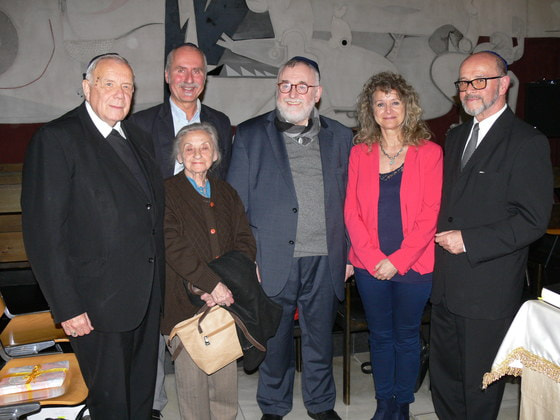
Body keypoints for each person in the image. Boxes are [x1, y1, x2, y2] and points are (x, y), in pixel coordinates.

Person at [21, 54, 164, 420]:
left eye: (127, 86)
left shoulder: (138, 137)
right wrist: (67, 306)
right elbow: (44, 233)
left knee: (140, 398)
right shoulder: (57, 139)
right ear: (87, 88)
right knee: (110, 405)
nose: (120, 94)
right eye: (109, 83)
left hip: (144, 298)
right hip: (95, 304)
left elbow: (150, 216)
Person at [227, 56, 353, 420]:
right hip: (271, 260)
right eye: (285, 84)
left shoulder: (341, 136)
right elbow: (237, 205)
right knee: (275, 340)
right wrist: (248, 260)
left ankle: (320, 405)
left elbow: (351, 199)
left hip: (326, 257)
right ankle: (273, 406)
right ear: (277, 88)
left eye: (302, 86)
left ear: (317, 93)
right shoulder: (250, 134)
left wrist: (349, 255)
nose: (292, 92)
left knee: (319, 340)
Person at [431, 50, 553, 420]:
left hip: (488, 287)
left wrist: (469, 240)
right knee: (446, 376)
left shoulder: (527, 142)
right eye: (464, 82)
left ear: (504, 84)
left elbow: (532, 220)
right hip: (446, 285)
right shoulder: (455, 137)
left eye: (479, 80)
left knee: (479, 381)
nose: (469, 89)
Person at [130, 43, 233, 418]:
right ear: (166, 75)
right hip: (157, 243)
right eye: (181, 71)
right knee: (157, 323)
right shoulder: (141, 125)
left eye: (197, 72)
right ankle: (153, 404)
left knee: (205, 318)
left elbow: (224, 188)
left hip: (206, 246)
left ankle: (210, 397)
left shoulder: (220, 122)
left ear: (205, 77)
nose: (189, 79)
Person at [344, 72, 443, 419]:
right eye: (380, 103)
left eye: (395, 102)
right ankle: (384, 403)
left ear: (407, 106)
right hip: (369, 265)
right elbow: (351, 211)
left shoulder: (430, 153)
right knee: (380, 337)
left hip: (414, 266)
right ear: (370, 110)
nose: (388, 109)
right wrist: (373, 260)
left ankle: (402, 404)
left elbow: (430, 214)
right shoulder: (360, 152)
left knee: (406, 337)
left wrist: (397, 261)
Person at [162, 122, 256, 420]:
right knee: (192, 388)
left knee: (225, 385)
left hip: (224, 303)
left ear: (215, 154)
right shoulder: (167, 192)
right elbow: (171, 245)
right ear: (179, 155)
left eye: (204, 147)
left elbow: (244, 240)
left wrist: (225, 284)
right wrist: (208, 284)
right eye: (189, 148)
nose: (197, 154)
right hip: (183, 303)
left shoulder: (227, 192)